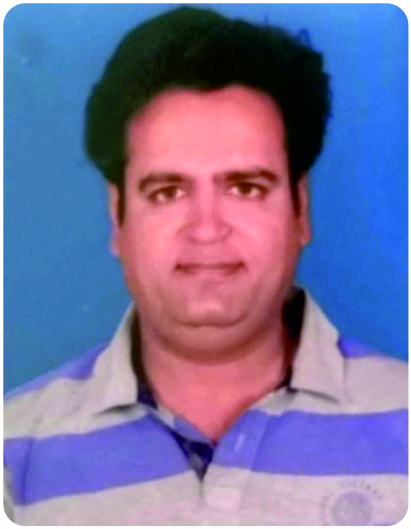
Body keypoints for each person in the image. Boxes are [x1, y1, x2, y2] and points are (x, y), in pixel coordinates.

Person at [4, 6, 407, 526]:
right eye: (168, 192)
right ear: (117, 215)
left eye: (246, 188)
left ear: (301, 209)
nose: (207, 230)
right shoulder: (13, 454)